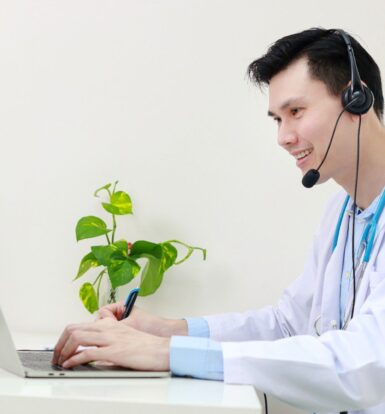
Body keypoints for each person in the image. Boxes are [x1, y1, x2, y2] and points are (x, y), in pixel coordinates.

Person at [52, 28, 385, 414]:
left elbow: (365, 364)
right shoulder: (342, 214)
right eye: (276, 119)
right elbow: (289, 324)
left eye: (295, 112)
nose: (282, 137)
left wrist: (168, 353)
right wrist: (170, 330)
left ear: (355, 100)